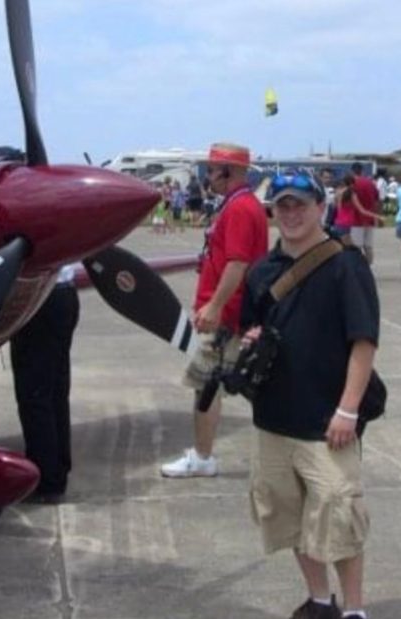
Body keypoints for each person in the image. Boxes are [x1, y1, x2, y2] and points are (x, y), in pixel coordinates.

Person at [240, 171, 379, 619]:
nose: (292, 213)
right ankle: (320, 600)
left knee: (339, 517)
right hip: (273, 417)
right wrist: (251, 338)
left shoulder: (346, 265)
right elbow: (248, 327)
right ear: (273, 211)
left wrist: (347, 410)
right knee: (290, 516)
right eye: (283, 205)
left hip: (326, 421)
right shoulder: (262, 271)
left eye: (301, 204)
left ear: (321, 207)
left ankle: (355, 608)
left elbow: (364, 342)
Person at [160, 143, 269, 478]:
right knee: (221, 384)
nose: (208, 177)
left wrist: (215, 306)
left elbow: (237, 263)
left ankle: (203, 457)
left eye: (212, 170)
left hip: (226, 316)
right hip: (229, 313)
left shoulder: (239, 209)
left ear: (229, 171)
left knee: (205, 385)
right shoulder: (241, 205)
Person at [11, 264, 80, 504]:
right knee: (55, 391)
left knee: (35, 394)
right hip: (64, 294)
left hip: (39, 298)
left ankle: (44, 478)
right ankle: (57, 471)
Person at [349, 162, 383, 265]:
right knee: (368, 246)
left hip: (355, 219)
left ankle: (357, 267)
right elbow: (378, 201)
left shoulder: (352, 184)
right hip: (369, 219)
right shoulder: (371, 183)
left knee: (356, 246)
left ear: (352, 171)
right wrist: (378, 217)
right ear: (362, 171)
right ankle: (368, 266)